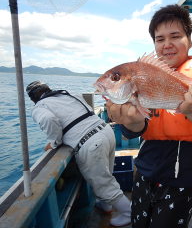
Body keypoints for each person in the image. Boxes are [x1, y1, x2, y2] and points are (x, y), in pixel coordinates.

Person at [106, 4, 192, 228]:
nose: (167, 44)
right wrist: (131, 121)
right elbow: (135, 129)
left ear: (189, 40)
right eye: (159, 39)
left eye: (176, 36)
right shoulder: (143, 74)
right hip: (144, 171)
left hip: (183, 177)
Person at [26, 81, 131, 227]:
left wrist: (54, 142)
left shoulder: (39, 107)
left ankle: (129, 213)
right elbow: (88, 109)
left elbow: (48, 119)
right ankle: (105, 204)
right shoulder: (67, 93)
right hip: (105, 130)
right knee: (107, 172)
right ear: (49, 89)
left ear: (32, 99)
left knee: (103, 183)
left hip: (90, 143)